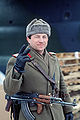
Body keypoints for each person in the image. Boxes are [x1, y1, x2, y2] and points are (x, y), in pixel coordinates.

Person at [3, 18, 73, 120]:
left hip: (56, 114)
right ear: (28, 38)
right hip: (34, 115)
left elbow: (62, 86)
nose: (41, 40)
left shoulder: (53, 59)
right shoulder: (18, 60)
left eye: (44, 36)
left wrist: (68, 110)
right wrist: (17, 69)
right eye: (37, 37)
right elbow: (9, 90)